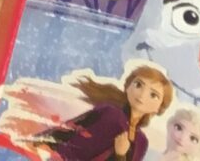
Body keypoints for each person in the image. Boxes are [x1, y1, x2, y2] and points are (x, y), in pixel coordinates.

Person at [40, 67, 179, 161]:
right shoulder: (111, 114)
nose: (142, 95)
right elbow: (71, 134)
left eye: (153, 95)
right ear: (128, 87)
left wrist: (120, 155)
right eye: (138, 85)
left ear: (159, 108)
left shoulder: (141, 142)